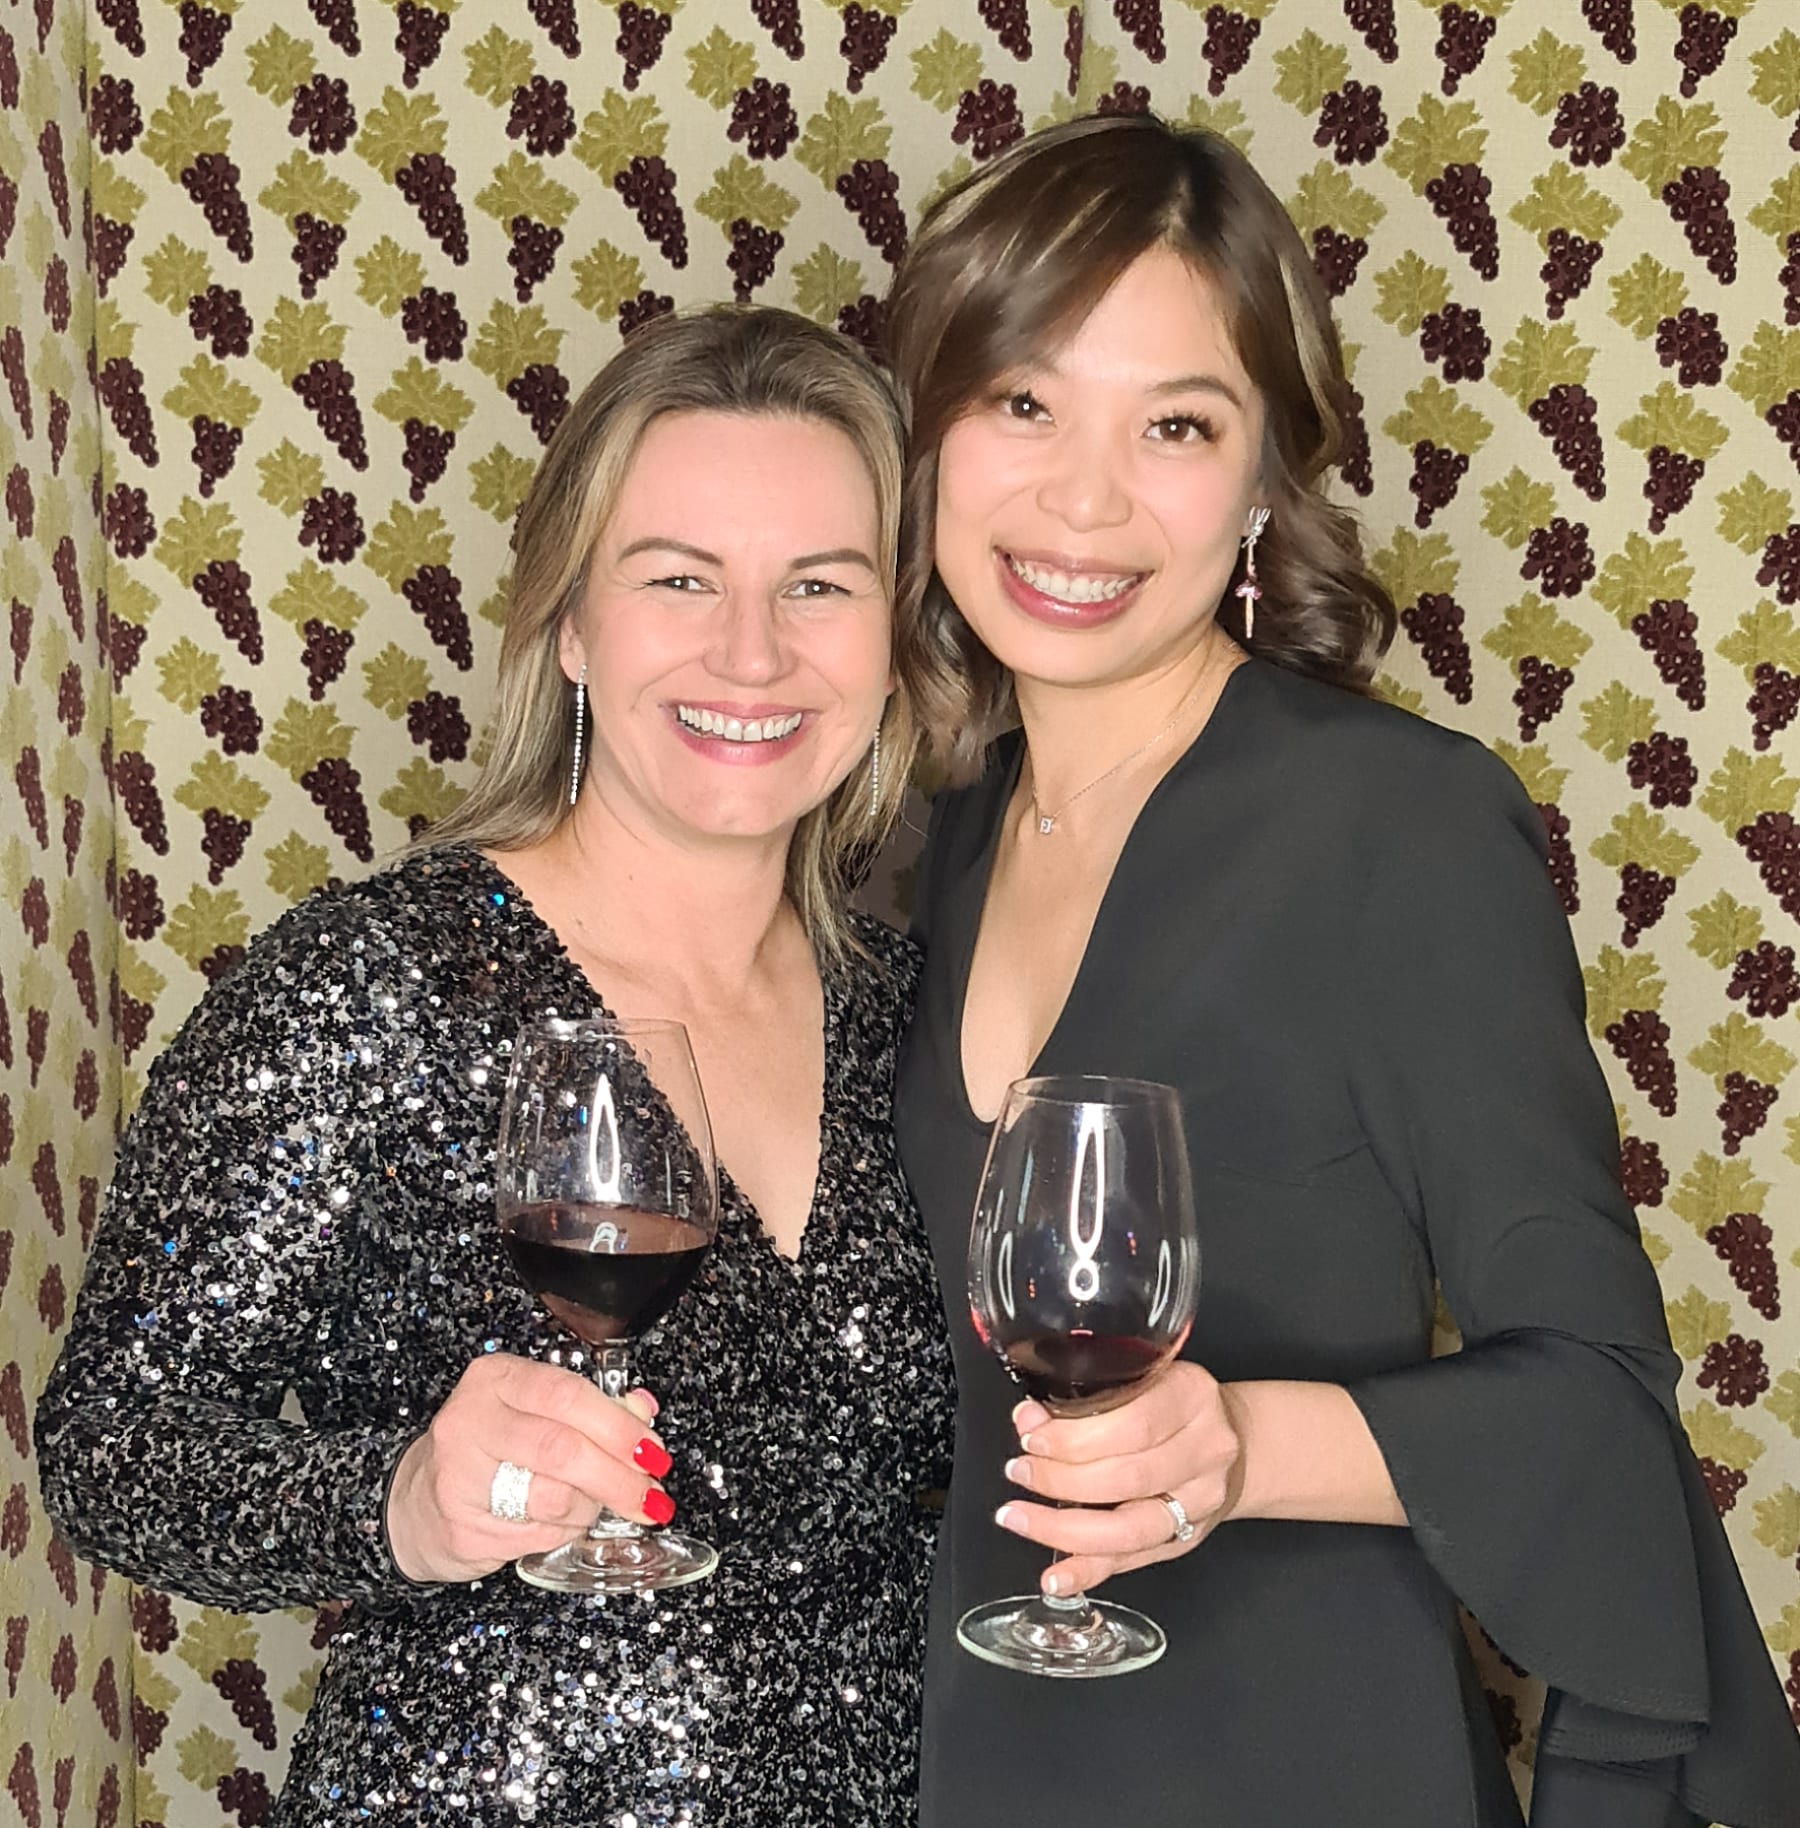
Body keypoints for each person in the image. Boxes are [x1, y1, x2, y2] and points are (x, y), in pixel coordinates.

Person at [883, 113, 1800, 1828]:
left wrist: (1238, 1446)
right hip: (982, 1753)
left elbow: (1598, 1409)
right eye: (1021, 402)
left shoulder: (1399, 829)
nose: (1083, 497)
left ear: (1260, 485)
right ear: (924, 429)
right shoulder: (918, 844)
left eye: (1176, 424)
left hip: (1306, 1760)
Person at [36, 306, 953, 1826]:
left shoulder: (916, 1015)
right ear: (571, 624)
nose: (753, 651)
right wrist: (398, 1502)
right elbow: (111, 1450)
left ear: (889, 639)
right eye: (678, 578)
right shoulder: (369, 986)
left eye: (819, 584)